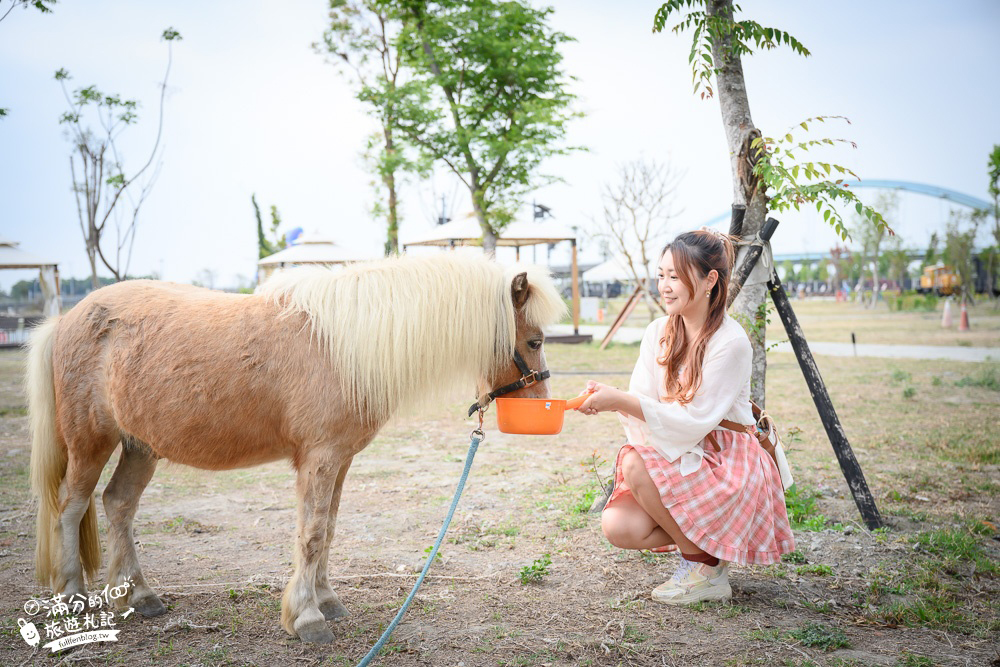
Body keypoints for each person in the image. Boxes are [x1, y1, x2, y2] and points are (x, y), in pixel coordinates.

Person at [576, 229, 795, 605]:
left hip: (726, 459)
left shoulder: (731, 342)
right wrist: (614, 399)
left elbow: (695, 419)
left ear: (710, 280)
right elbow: (644, 401)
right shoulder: (657, 332)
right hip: (682, 448)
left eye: (675, 276)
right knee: (619, 526)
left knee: (633, 460)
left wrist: (620, 401)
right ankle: (709, 551)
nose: (664, 285)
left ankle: (703, 568)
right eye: (661, 275)